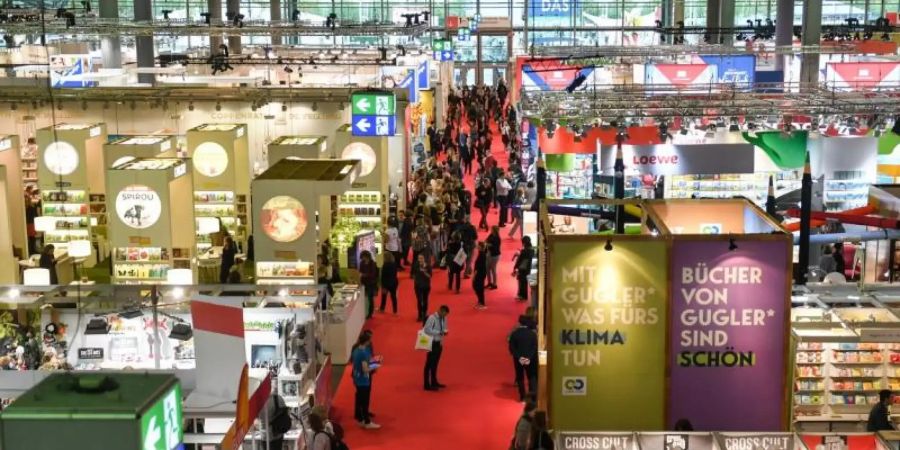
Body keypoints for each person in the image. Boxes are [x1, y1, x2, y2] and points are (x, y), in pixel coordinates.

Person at [351, 333, 381, 429]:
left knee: (360, 399)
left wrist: (373, 362)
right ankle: (367, 422)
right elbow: (365, 369)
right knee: (364, 400)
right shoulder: (363, 353)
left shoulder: (356, 350)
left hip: (357, 378)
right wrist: (376, 365)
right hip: (363, 380)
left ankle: (360, 419)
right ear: (367, 341)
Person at [509, 314, 538, 401]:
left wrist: (519, 358)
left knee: (520, 377)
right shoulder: (532, 334)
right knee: (532, 377)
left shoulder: (514, 334)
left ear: (519, 323)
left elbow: (512, 348)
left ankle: (522, 397)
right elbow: (534, 347)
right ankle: (533, 398)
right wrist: (528, 357)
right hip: (531, 359)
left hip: (518, 360)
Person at [423, 305, 450, 391]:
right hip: (431, 343)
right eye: (444, 314)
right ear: (440, 311)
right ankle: (427, 384)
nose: (445, 316)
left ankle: (434, 382)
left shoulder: (444, 318)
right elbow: (426, 330)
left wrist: (445, 331)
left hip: (439, 344)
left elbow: (444, 328)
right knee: (429, 364)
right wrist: (439, 332)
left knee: (435, 364)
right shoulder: (432, 318)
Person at [513, 236, 535, 302]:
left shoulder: (524, 251)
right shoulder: (531, 249)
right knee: (524, 282)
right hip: (528, 268)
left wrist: (515, 267)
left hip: (522, 268)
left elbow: (520, 260)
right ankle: (522, 295)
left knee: (522, 282)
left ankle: (522, 296)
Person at [412, 253, 432, 323]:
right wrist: (416, 280)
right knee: (419, 301)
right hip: (418, 286)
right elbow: (413, 274)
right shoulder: (416, 265)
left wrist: (424, 272)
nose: (420, 260)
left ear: (424, 259)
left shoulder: (428, 266)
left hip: (426, 286)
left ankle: (425, 313)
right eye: (419, 258)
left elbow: (430, 276)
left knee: (425, 300)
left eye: (421, 258)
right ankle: (420, 315)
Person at [358, 250, 378, 320]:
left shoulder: (372, 263)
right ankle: (363, 312)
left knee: (370, 298)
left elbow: (372, 274)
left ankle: (370, 313)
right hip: (363, 283)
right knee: (363, 298)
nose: (362, 259)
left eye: (363, 257)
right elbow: (360, 271)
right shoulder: (362, 263)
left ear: (366, 256)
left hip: (371, 283)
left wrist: (363, 275)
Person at [473, 241, 488, 309]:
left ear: (481, 247)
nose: (477, 246)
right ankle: (480, 301)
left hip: (480, 273)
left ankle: (482, 303)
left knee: (478, 287)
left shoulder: (482, 255)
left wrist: (475, 274)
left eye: (478, 245)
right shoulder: (481, 253)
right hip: (481, 273)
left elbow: (479, 266)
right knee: (477, 287)